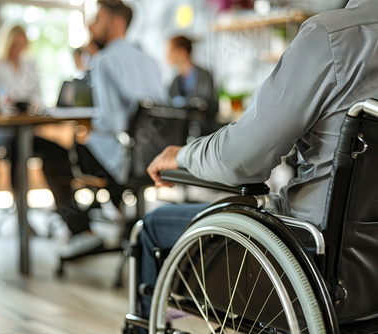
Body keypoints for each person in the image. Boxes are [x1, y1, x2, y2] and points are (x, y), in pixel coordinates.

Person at [138, 0, 378, 321]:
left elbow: (242, 158)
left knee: (151, 226)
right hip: (370, 273)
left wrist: (183, 155)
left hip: (312, 264)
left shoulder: (332, 36)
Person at [39, 0, 168, 257]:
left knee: (50, 154)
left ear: (117, 23)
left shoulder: (104, 60)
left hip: (122, 160)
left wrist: (87, 130)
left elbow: (110, 123)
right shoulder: (150, 60)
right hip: (156, 156)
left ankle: (82, 232)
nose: (90, 24)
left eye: (98, 18)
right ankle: (123, 220)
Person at [0, 24, 42, 187]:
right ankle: (19, 206)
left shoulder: (30, 65)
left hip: (26, 128)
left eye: (22, 44)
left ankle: (56, 205)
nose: (18, 49)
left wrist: (32, 104)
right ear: (7, 43)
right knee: (18, 149)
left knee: (51, 150)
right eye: (14, 45)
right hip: (1, 130)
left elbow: (38, 96)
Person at [167, 35, 220, 135]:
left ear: (181, 52)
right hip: (182, 131)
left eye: (170, 52)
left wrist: (184, 103)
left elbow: (206, 103)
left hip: (204, 130)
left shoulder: (204, 75)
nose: (167, 56)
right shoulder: (175, 80)